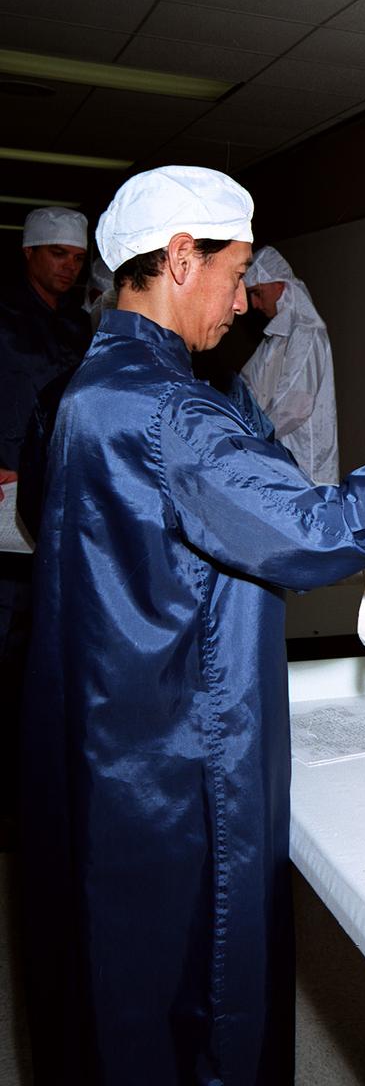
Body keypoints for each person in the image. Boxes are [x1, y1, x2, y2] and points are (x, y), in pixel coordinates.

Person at [20, 165, 365, 1084]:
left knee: (111, 987)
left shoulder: (92, 393)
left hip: (107, 741)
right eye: (235, 276)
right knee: (201, 996)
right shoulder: (169, 413)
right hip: (177, 762)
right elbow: (325, 531)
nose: (243, 302)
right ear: (180, 259)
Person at [0, 206, 90, 841]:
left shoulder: (82, 325)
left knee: (45, 643)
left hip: (55, 501)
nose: (69, 265)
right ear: (29, 253)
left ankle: (34, 788)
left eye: (78, 256)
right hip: (1, 497)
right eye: (58, 253)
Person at [241, 244, 339, 484]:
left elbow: (296, 404)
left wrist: (252, 438)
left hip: (307, 464)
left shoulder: (307, 333)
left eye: (257, 293)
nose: (254, 304)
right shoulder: (275, 340)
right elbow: (248, 383)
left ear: (279, 286)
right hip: (281, 459)